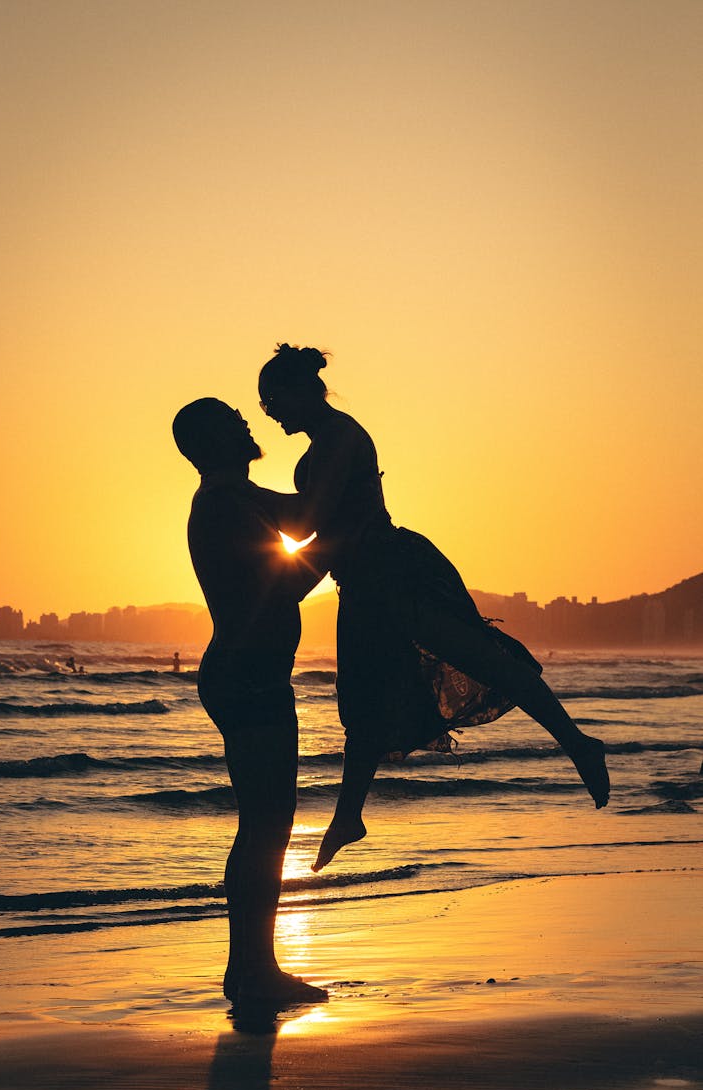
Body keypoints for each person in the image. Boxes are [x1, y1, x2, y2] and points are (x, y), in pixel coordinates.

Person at [253, 343, 610, 873]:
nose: (271, 414)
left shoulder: (341, 437)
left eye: (272, 401)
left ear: (301, 390)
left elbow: (307, 525)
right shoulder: (325, 441)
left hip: (394, 573)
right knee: (363, 705)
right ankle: (348, 816)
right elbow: (324, 531)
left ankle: (579, 744)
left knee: (485, 659)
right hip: (360, 582)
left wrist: (243, 494)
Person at [173, 397, 328, 1007]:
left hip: (253, 676)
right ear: (207, 445)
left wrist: (334, 459)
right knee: (264, 826)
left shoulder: (243, 496)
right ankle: (253, 972)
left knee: (269, 824)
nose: (245, 422)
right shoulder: (220, 503)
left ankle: (251, 969)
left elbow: (306, 511)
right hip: (247, 680)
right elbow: (287, 582)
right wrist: (334, 544)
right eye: (229, 420)